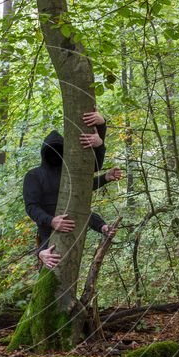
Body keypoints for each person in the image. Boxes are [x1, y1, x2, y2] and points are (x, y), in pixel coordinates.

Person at [22, 109, 122, 269]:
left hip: (74, 231)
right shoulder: (34, 176)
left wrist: (101, 136)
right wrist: (51, 222)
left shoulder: (69, 172)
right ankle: (42, 256)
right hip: (48, 237)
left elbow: (86, 184)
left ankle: (103, 227)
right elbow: (32, 207)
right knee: (51, 270)